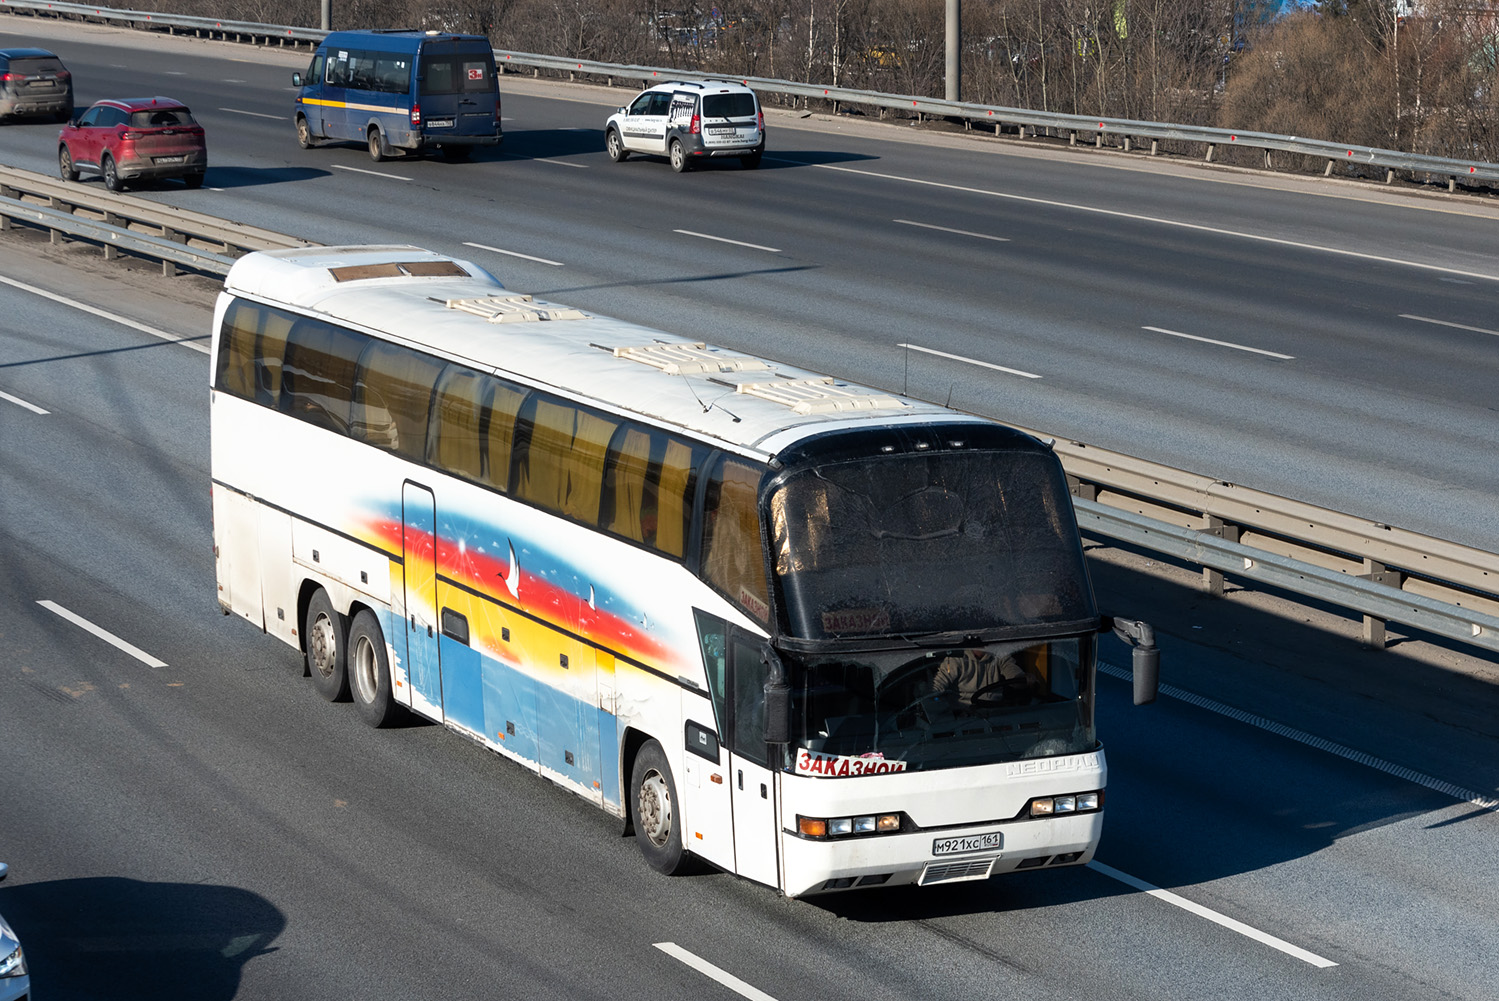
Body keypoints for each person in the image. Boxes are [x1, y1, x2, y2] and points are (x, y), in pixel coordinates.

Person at [930, 648, 1037, 705]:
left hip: (995, 711)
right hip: (963, 715)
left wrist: (1023, 679)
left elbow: (1013, 673)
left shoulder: (1000, 654)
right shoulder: (956, 658)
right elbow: (938, 684)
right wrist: (933, 696)